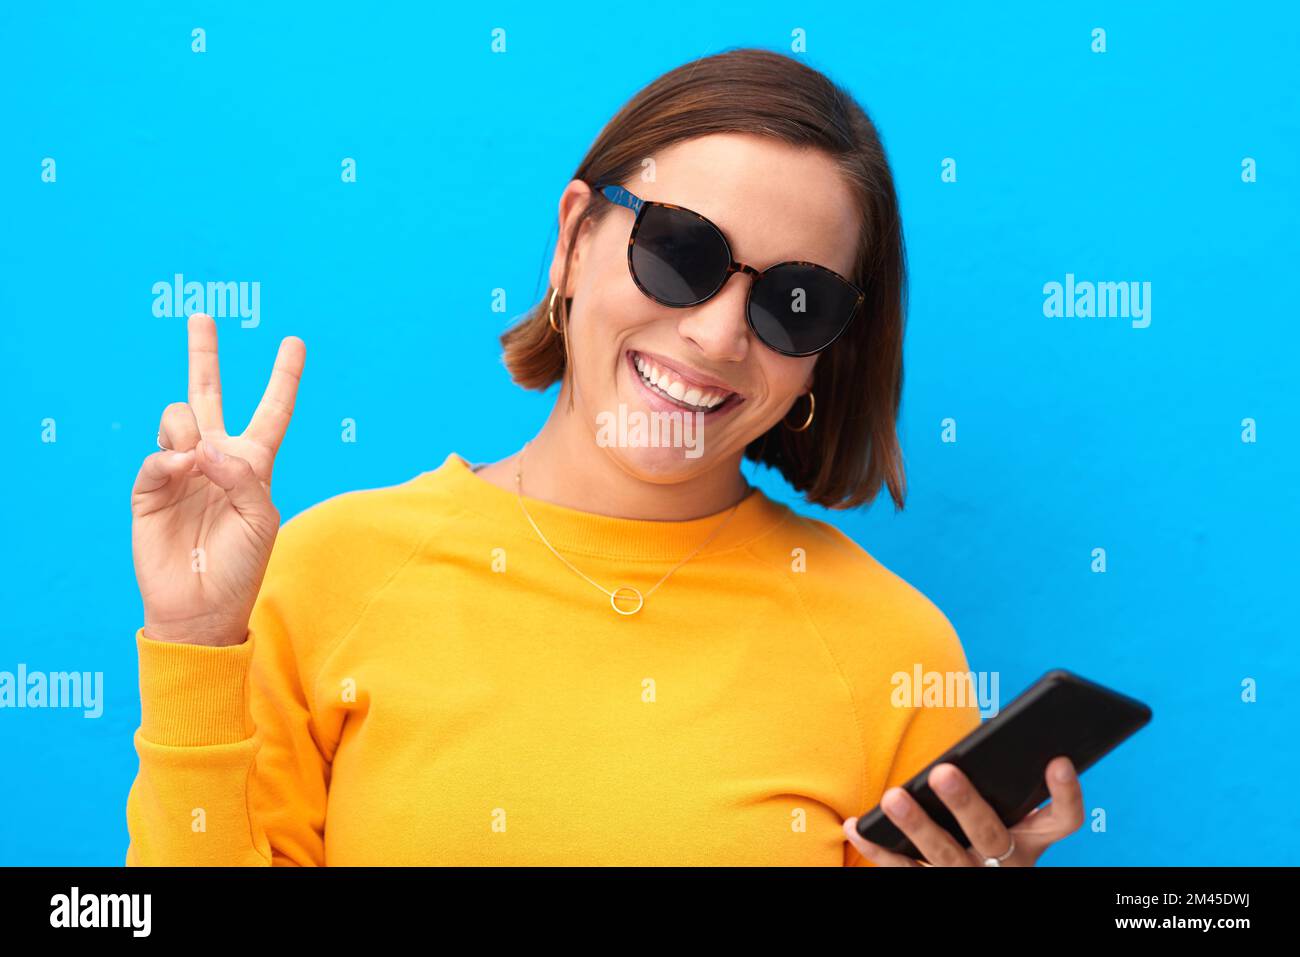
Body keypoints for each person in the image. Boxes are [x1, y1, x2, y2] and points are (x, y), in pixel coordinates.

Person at [125, 48, 1083, 866]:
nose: (714, 336)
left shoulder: (895, 652)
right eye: (681, 251)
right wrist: (197, 645)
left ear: (825, 353)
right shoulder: (326, 574)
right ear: (575, 240)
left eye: (792, 302)